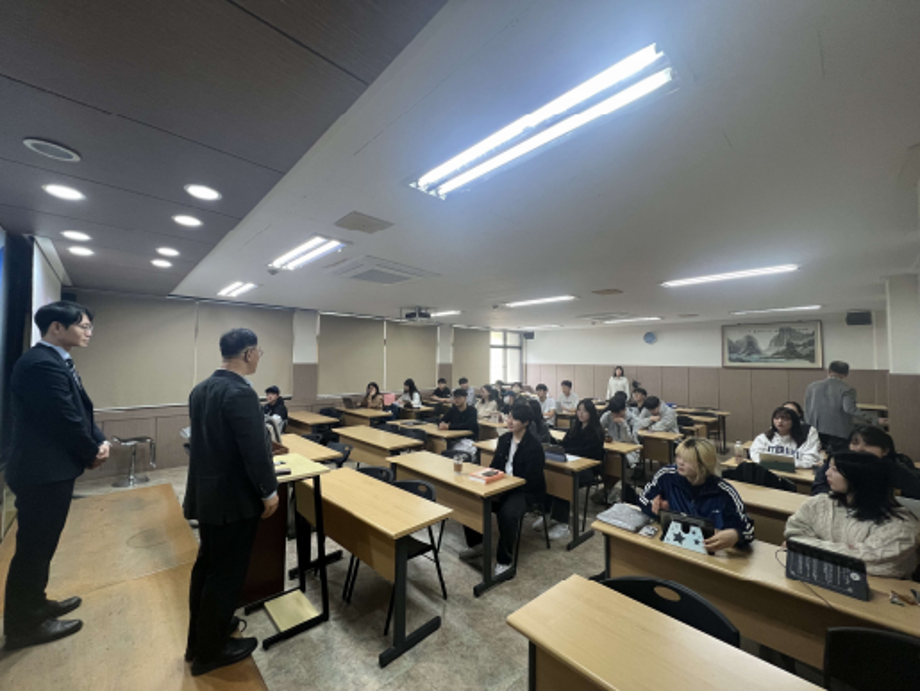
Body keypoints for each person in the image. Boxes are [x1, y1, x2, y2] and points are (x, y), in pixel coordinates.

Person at [3, 301, 110, 650]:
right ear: (56, 327)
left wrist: (98, 440)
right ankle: (24, 626)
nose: (89, 332)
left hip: (49, 470)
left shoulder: (55, 360)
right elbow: (63, 418)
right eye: (83, 326)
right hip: (42, 472)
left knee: (41, 547)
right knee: (33, 551)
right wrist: (91, 452)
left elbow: (79, 409)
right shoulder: (40, 364)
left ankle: (37, 603)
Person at [184, 328, 279, 675]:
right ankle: (211, 652)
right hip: (233, 501)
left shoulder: (200, 389)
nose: (258, 358)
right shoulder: (240, 393)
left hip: (207, 496)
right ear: (249, 353)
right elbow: (254, 451)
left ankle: (199, 640)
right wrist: (268, 491)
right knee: (225, 576)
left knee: (207, 568)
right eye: (259, 353)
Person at [786, 451, 919, 578]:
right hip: (816, 574)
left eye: (835, 470)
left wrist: (806, 548)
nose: (827, 473)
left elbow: (870, 561)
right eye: (829, 467)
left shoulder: (901, 525)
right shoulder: (820, 503)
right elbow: (794, 532)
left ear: (858, 477)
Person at [460, 402, 546, 576]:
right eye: (509, 417)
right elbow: (495, 466)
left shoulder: (534, 446)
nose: (510, 421)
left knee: (507, 514)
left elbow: (531, 480)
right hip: (500, 485)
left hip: (523, 491)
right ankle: (477, 545)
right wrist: (485, 478)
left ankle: (504, 560)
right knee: (471, 501)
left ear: (526, 422)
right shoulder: (505, 439)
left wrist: (505, 488)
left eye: (515, 418)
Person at [640, 438, 755, 550]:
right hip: (674, 544)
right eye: (678, 456)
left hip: (708, 549)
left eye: (687, 460)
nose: (680, 462)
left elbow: (748, 529)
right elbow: (643, 499)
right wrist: (654, 506)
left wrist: (735, 534)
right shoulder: (666, 476)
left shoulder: (724, 492)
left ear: (703, 464)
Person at [536, 399, 606, 541]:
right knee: (550, 475)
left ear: (591, 413)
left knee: (563, 481)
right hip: (570, 463)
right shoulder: (575, 426)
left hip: (587, 470)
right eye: (579, 410)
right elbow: (566, 443)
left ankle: (562, 523)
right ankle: (548, 514)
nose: (580, 413)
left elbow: (589, 453)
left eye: (584, 411)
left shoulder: (596, 431)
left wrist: (568, 451)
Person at [812, 426, 920, 498]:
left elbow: (915, 490)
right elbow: (819, 487)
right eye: (855, 443)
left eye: (868, 444)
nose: (859, 449)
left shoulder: (893, 466)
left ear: (885, 451)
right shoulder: (838, 461)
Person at [804, 361, 876, 453]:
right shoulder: (847, 389)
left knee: (818, 456)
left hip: (815, 430)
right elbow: (849, 409)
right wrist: (873, 418)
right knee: (839, 457)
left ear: (829, 371)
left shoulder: (812, 387)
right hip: (839, 432)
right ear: (846, 374)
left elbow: (807, 409)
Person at [749, 406, 820, 469]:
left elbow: (809, 460)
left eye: (785, 419)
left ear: (793, 421)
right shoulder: (764, 438)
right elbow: (755, 454)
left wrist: (786, 464)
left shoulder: (804, 439)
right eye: (776, 418)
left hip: (796, 472)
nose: (780, 421)